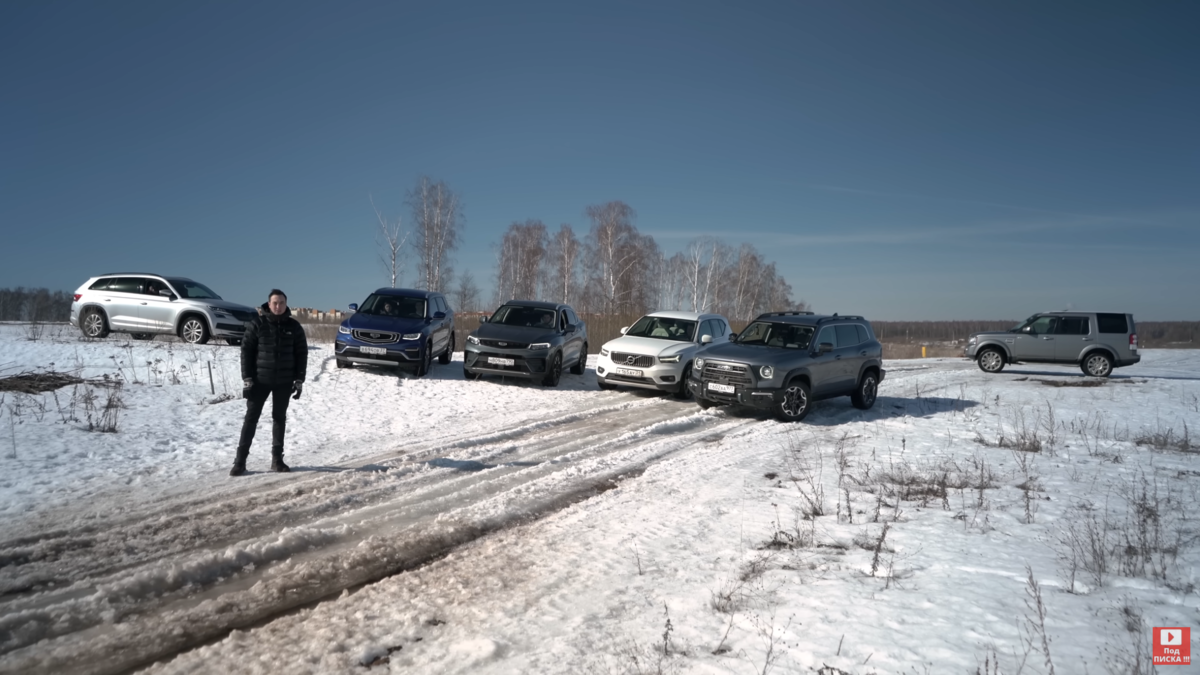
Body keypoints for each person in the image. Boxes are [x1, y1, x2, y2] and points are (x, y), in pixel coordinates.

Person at [230, 289, 308, 476]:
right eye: (275, 303)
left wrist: (299, 380)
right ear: (268, 304)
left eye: (281, 303)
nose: (278, 306)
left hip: (284, 382)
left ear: (286, 304)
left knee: (279, 419)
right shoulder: (257, 324)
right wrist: (247, 379)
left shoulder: (294, 327)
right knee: (251, 419)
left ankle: (277, 460)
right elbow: (246, 352)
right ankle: (240, 461)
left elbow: (301, 354)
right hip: (259, 381)